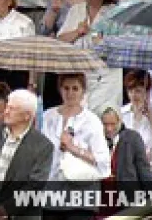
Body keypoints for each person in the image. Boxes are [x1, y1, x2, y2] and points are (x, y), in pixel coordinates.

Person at [39, 74, 111, 217]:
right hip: (50, 195)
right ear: (60, 89)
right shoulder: (47, 116)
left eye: (75, 88)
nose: (70, 93)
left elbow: (103, 161)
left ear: (83, 91)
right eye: (66, 88)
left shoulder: (92, 121)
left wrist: (72, 148)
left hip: (81, 197)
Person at [0, 89, 53, 220]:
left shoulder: (44, 146)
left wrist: (6, 209)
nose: (6, 112)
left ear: (27, 116)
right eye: (7, 107)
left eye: (12, 109)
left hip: (22, 214)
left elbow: (35, 185)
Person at [101, 107, 152, 203]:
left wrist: (150, 196)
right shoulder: (98, 140)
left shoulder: (133, 138)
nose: (109, 129)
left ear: (119, 121)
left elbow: (143, 169)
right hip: (103, 198)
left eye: (112, 124)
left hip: (127, 196)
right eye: (105, 124)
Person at [120, 70, 152, 182]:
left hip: (151, 172)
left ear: (147, 92)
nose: (133, 95)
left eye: (138, 91)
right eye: (130, 91)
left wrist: (150, 116)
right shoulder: (122, 113)